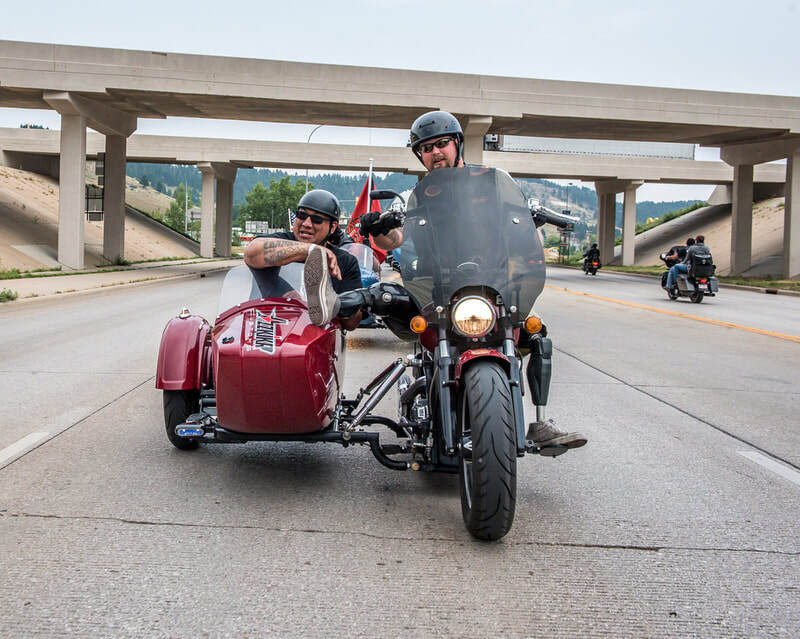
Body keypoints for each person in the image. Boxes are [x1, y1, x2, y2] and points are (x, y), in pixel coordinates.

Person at [359, 110, 587, 452]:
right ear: (419, 155)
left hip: (492, 285)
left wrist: (531, 223)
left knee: (536, 335)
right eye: (426, 148)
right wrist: (379, 228)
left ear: (457, 144)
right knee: (423, 333)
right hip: (439, 289)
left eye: (442, 144)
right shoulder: (415, 194)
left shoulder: (492, 183)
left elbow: (521, 225)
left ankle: (540, 422)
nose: (435, 152)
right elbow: (396, 239)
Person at [243, 189, 363, 330]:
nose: (306, 223)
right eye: (301, 215)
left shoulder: (346, 262)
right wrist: (311, 250)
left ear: (333, 227)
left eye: (317, 219)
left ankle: (328, 301)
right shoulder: (278, 241)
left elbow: (351, 324)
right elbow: (251, 253)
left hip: (317, 334)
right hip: (264, 327)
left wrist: (343, 305)